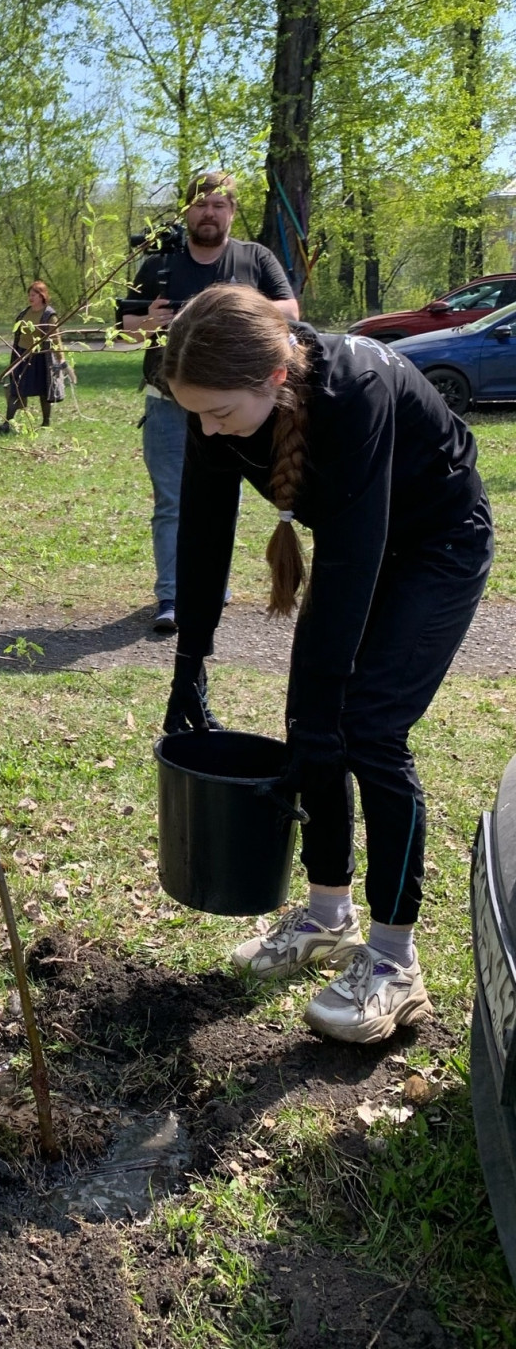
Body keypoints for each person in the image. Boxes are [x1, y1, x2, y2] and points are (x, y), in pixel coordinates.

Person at [161, 285, 492, 1044]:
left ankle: (395, 961)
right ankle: (326, 914)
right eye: (196, 414)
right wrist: (191, 660)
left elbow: (353, 558)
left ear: (274, 380)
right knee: (311, 716)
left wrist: (322, 697)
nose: (208, 432)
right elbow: (205, 532)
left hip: (437, 541)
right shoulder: (220, 403)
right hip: (361, 540)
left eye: (218, 414)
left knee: (367, 727)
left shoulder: (356, 388)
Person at [121, 172, 298, 636]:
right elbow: (124, 327)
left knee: (224, 496)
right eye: (200, 205)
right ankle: (171, 596)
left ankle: (212, 587)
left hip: (234, 403)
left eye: (219, 205)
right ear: (187, 212)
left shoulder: (254, 258)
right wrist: (150, 320)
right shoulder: (160, 266)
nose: (209, 213)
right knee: (172, 502)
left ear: (232, 212)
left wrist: (230, 308)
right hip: (167, 403)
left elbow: (290, 312)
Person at [0, 281, 61, 431]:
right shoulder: (24, 313)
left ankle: (46, 423)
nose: (30, 298)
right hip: (21, 356)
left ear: (42, 296)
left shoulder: (49, 315)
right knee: (16, 390)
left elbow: (56, 339)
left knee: (44, 391)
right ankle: (8, 423)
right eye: (29, 295)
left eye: (33, 295)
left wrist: (61, 359)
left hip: (40, 359)